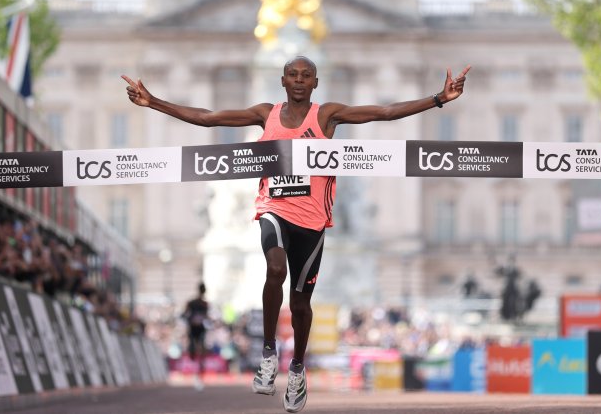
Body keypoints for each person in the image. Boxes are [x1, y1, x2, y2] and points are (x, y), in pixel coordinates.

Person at [123, 56, 470, 412]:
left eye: (306, 76)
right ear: (283, 81)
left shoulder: (327, 115)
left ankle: (298, 368)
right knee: (275, 269)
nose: (299, 80)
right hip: (273, 210)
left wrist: (438, 98)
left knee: (301, 304)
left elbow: (383, 112)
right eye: (293, 75)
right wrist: (154, 103)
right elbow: (209, 118)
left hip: (313, 222)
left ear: (316, 83)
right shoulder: (265, 114)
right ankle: (268, 353)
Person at [182, 282, 210, 391]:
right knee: (194, 351)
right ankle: (196, 363)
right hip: (194, 329)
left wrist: (201, 319)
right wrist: (192, 319)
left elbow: (185, 314)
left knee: (201, 351)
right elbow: (185, 314)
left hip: (200, 329)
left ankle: (199, 372)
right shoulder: (193, 302)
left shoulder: (205, 304)